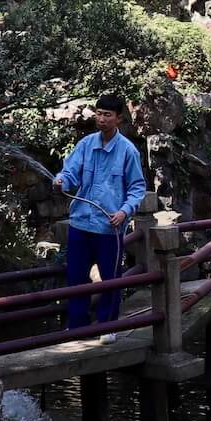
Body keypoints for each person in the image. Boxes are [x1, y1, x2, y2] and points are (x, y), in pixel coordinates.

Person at [54, 93, 146, 332]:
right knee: (76, 278)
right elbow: (70, 173)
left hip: (109, 227)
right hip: (80, 223)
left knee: (110, 280)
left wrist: (124, 212)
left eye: (107, 115)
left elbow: (137, 188)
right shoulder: (86, 145)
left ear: (119, 119)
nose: (101, 119)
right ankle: (78, 327)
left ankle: (107, 327)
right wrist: (61, 180)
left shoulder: (128, 151)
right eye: (99, 113)